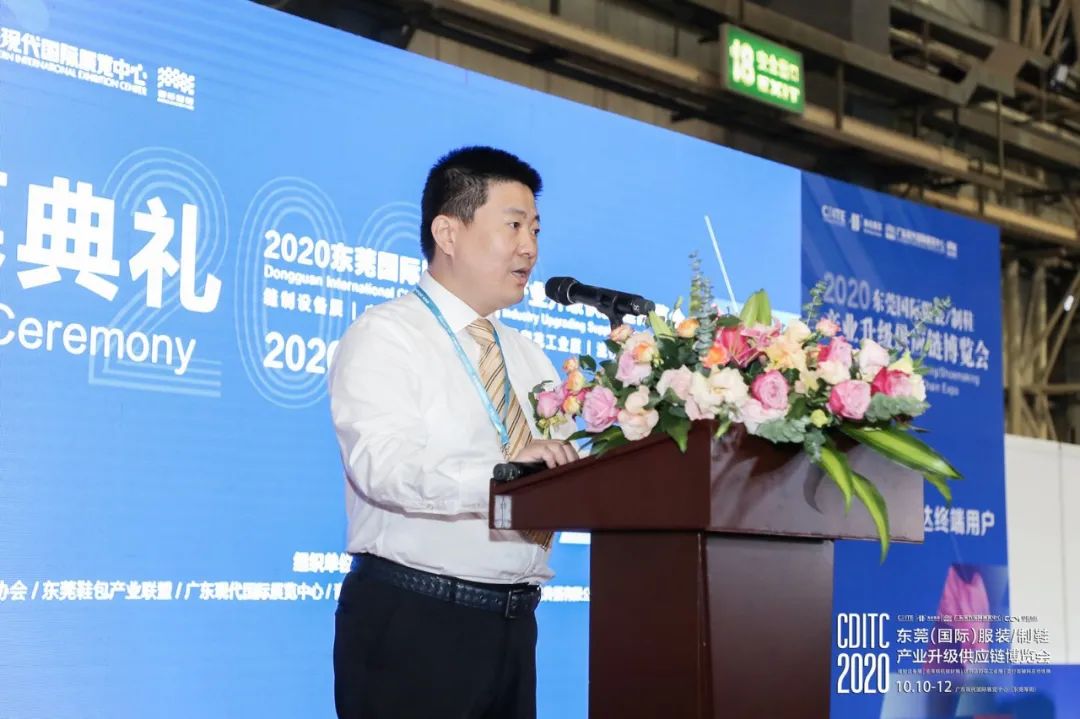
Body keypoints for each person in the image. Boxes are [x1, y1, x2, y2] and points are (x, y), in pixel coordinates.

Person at [329, 146, 579, 719]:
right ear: (447, 232)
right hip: (416, 622)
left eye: (536, 229)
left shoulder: (530, 357)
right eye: (513, 225)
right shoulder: (386, 335)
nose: (530, 247)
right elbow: (383, 467)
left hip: (514, 625)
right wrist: (505, 477)